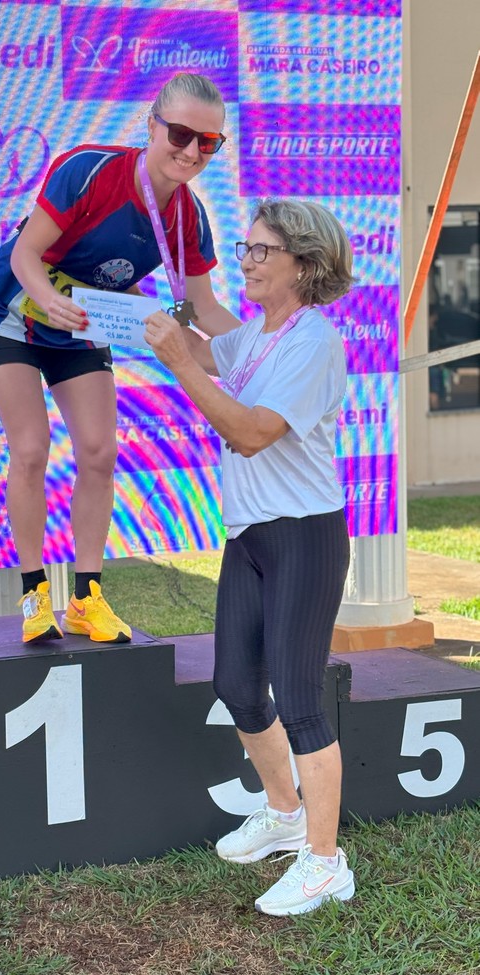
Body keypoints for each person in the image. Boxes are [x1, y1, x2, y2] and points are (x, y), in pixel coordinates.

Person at [0, 72, 239, 644]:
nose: (192, 152)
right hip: (13, 312)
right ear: (152, 126)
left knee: (98, 452)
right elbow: (26, 254)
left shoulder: (189, 216)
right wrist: (47, 300)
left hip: (85, 322)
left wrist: (272, 345)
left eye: (208, 143)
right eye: (181, 135)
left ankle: (87, 599)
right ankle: (33, 595)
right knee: (31, 449)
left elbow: (205, 310)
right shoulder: (90, 169)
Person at [144, 198, 356, 916]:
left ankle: (325, 863)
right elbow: (203, 341)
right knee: (237, 686)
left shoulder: (312, 341)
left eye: (262, 251)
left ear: (305, 263)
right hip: (252, 536)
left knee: (299, 702)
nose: (248, 261)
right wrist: (162, 322)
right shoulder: (256, 337)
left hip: (304, 535)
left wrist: (180, 361)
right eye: (246, 248)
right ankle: (285, 814)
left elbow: (250, 432)